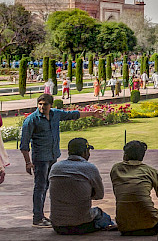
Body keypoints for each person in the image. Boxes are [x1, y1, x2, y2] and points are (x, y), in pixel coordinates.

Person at [20, 93, 103, 227]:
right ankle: (38, 217)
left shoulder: (55, 114)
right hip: (40, 158)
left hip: (53, 156)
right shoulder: (31, 120)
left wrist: (92, 113)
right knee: (40, 187)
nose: (42, 107)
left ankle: (45, 216)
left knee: (49, 186)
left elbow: (73, 115)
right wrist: (28, 162)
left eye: (45, 104)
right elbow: (24, 144)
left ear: (51, 105)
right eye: (40, 104)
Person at [49, 138, 116, 234]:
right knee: (103, 216)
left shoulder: (55, 167)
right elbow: (99, 195)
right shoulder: (89, 168)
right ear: (85, 152)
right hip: (81, 225)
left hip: (58, 225)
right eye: (88, 151)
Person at [110, 140, 158, 235]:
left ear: (125, 155)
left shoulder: (116, 169)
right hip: (150, 223)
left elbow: (121, 193)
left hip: (124, 225)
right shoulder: (150, 171)